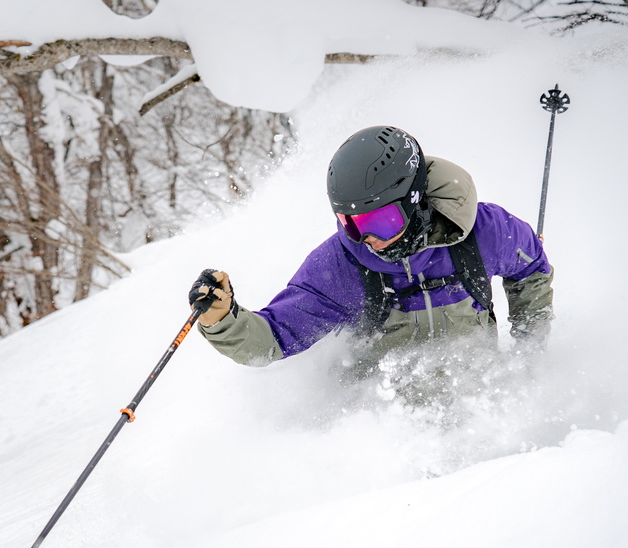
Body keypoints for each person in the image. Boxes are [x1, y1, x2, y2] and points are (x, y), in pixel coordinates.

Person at [188, 125, 553, 375]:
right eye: (352, 223)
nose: (368, 239)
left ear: (414, 200)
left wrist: (529, 353)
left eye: (381, 221)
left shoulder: (482, 233)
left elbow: (531, 270)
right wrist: (222, 320)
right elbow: (270, 340)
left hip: (480, 408)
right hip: (388, 432)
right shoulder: (343, 266)